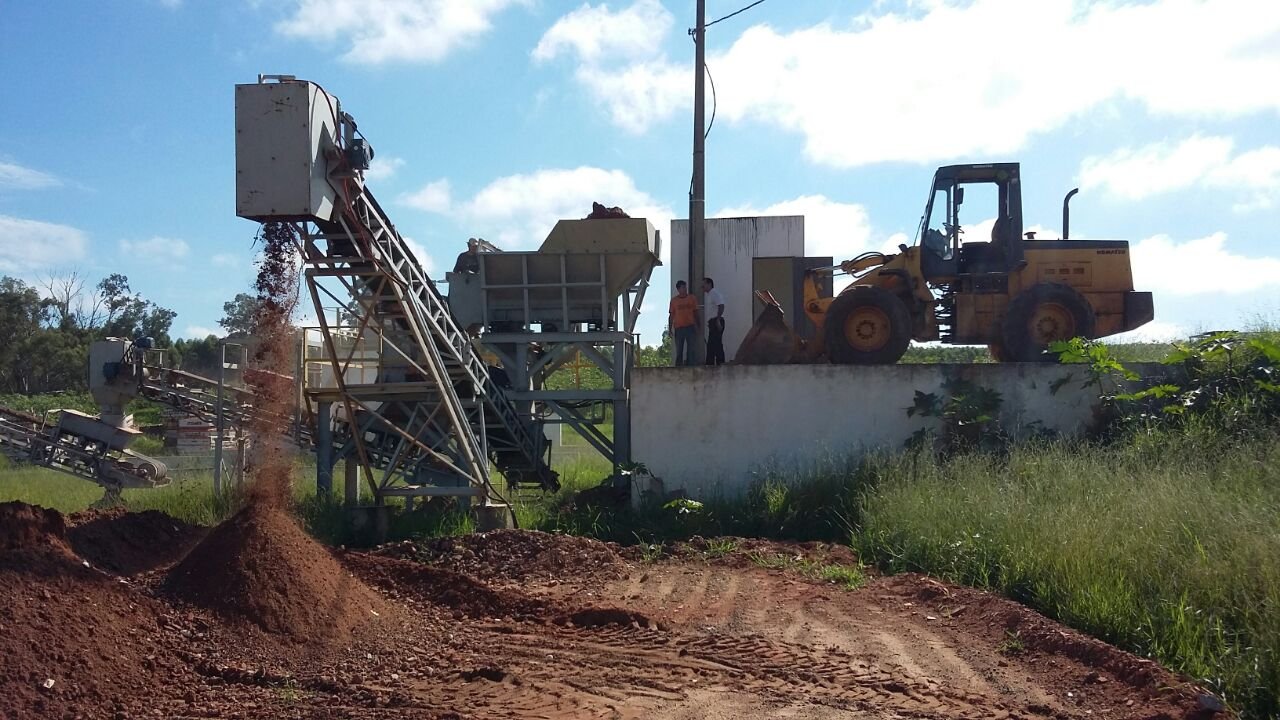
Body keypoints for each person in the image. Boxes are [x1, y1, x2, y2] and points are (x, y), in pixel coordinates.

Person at [668, 280, 698, 366]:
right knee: (679, 350)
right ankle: (678, 367)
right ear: (678, 289)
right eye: (683, 287)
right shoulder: (674, 301)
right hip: (679, 328)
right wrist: (670, 329)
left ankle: (690, 366)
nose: (685, 289)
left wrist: (697, 325)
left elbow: (695, 312)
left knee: (691, 349)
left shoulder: (692, 298)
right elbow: (671, 315)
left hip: (690, 326)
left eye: (685, 287)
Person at [702, 277, 726, 366]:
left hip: (716, 321)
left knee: (716, 343)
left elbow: (721, 305)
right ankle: (710, 364)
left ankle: (720, 363)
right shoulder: (710, 295)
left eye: (704, 284)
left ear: (709, 284)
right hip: (713, 322)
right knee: (711, 345)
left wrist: (718, 319)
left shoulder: (714, 293)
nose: (702, 286)